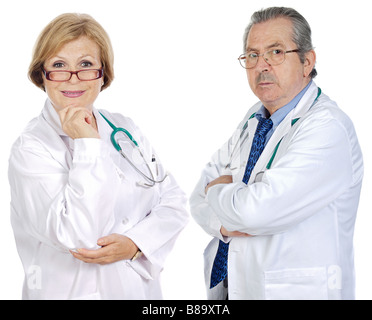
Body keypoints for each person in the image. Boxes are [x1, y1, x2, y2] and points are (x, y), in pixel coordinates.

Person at [8, 13, 188, 300]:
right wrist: (87, 144)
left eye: (86, 65)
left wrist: (136, 243)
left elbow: (174, 202)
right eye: (58, 66)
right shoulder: (30, 149)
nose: (73, 78)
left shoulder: (124, 129)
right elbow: (79, 236)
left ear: (102, 73)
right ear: (42, 74)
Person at [190, 7, 363, 300]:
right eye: (253, 55)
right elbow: (197, 197)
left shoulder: (327, 128)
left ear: (307, 61)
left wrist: (217, 191)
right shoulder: (254, 119)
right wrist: (223, 222)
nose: (262, 65)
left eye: (276, 52)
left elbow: (254, 212)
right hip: (234, 288)